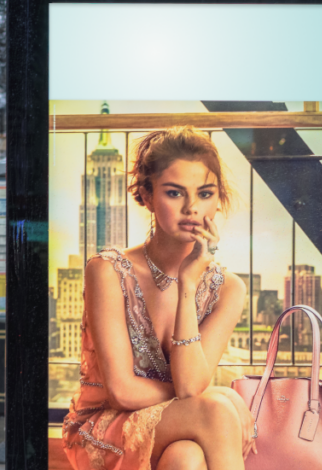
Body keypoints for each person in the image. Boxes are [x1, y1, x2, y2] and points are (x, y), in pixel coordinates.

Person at [62, 127, 249, 470]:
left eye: (205, 193)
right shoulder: (108, 270)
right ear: (147, 197)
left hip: (175, 425)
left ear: (218, 200)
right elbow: (122, 392)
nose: (192, 208)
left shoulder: (229, 289)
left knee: (186, 458)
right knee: (217, 408)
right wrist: (213, 396)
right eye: (175, 193)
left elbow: (191, 385)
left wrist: (189, 284)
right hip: (104, 426)